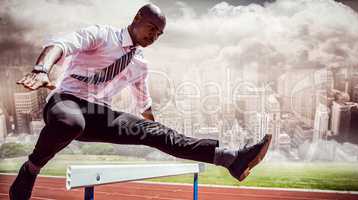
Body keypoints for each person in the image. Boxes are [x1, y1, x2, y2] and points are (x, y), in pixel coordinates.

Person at [9, 4, 272, 200]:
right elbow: (62, 44)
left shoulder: (140, 65)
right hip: (66, 102)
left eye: (159, 34)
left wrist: (156, 134)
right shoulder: (102, 35)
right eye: (151, 29)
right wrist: (41, 69)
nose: (153, 37)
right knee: (70, 122)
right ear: (137, 19)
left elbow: (144, 105)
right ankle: (31, 168)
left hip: (101, 116)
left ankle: (231, 159)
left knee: (157, 132)